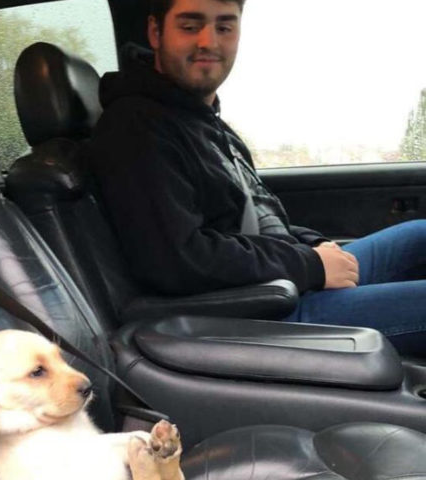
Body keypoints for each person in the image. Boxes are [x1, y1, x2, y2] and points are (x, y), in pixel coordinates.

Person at [90, 0, 426, 356]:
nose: (209, 42)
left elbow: (258, 214)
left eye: (224, 26)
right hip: (253, 315)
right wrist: (309, 266)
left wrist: (314, 247)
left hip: (278, 282)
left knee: (419, 235)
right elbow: (176, 260)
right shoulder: (136, 129)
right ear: (156, 33)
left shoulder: (199, 119)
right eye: (190, 26)